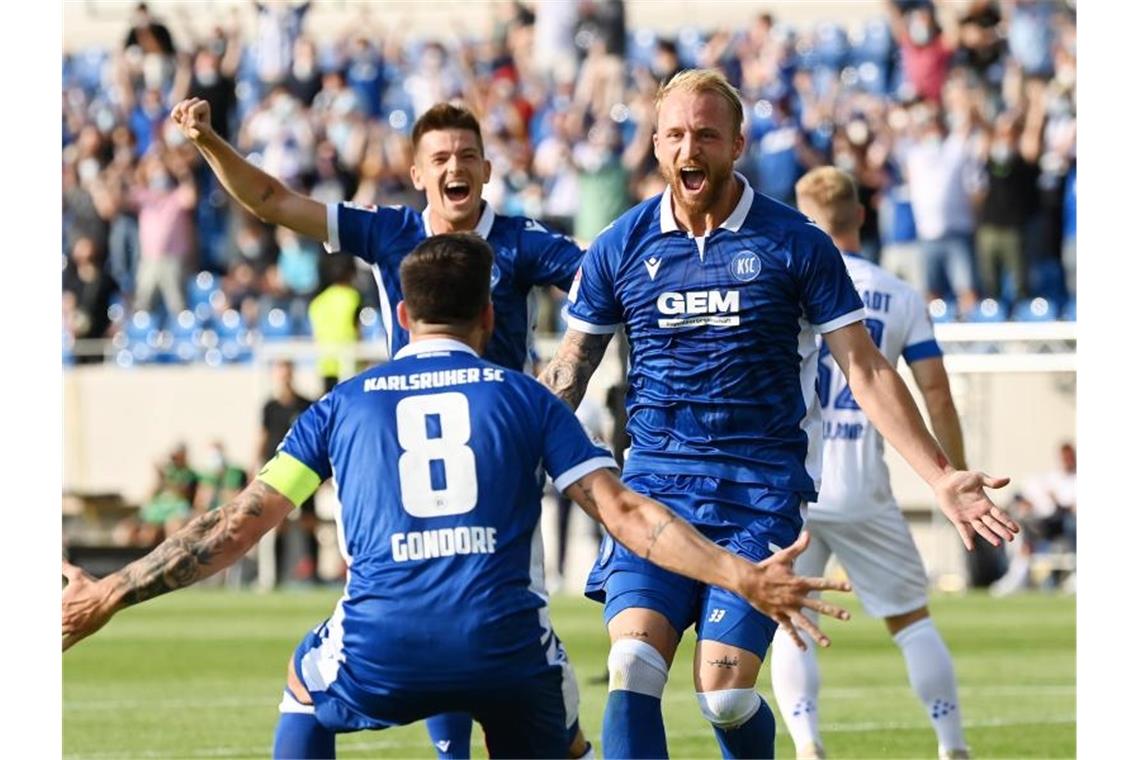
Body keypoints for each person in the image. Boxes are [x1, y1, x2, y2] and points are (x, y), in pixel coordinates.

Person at [63, 233, 852, 759]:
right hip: (507, 651)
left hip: (382, 647)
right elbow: (631, 517)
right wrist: (739, 574)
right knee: (564, 719)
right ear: (487, 315)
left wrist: (111, 592)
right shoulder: (527, 400)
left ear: (402, 316)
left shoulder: (340, 406)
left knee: (305, 681)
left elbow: (235, 527)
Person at [539, 69, 1018, 759]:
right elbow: (571, 369)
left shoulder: (794, 241)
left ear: (736, 144)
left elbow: (865, 367)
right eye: (674, 134)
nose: (688, 148)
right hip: (654, 491)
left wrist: (942, 477)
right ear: (655, 144)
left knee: (726, 698)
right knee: (631, 666)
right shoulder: (622, 242)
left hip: (756, 495)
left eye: (705, 133)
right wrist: (520, 446)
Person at [170, 96, 588, 757]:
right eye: (441, 157)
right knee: (439, 620)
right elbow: (274, 200)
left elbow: (602, 284)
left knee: (489, 624)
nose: (456, 167)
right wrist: (208, 142)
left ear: (486, 169)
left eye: (468, 156)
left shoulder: (523, 241)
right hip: (401, 463)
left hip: (499, 470)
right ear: (418, 173)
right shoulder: (387, 230)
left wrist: (568, 365)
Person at [770, 166, 972, 760]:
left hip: (795, 481)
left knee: (790, 618)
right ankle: (951, 744)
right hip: (863, 482)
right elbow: (935, 392)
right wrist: (952, 477)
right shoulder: (899, 293)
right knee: (911, 621)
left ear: (803, 218)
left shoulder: (786, 282)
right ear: (860, 216)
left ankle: (806, 741)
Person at [255, 360, 318, 584]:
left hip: (304, 468)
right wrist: (256, 464)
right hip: (277, 469)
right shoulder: (270, 406)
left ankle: (313, 573)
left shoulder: (305, 404)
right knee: (277, 521)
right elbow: (263, 436)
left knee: (309, 520)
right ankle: (277, 576)